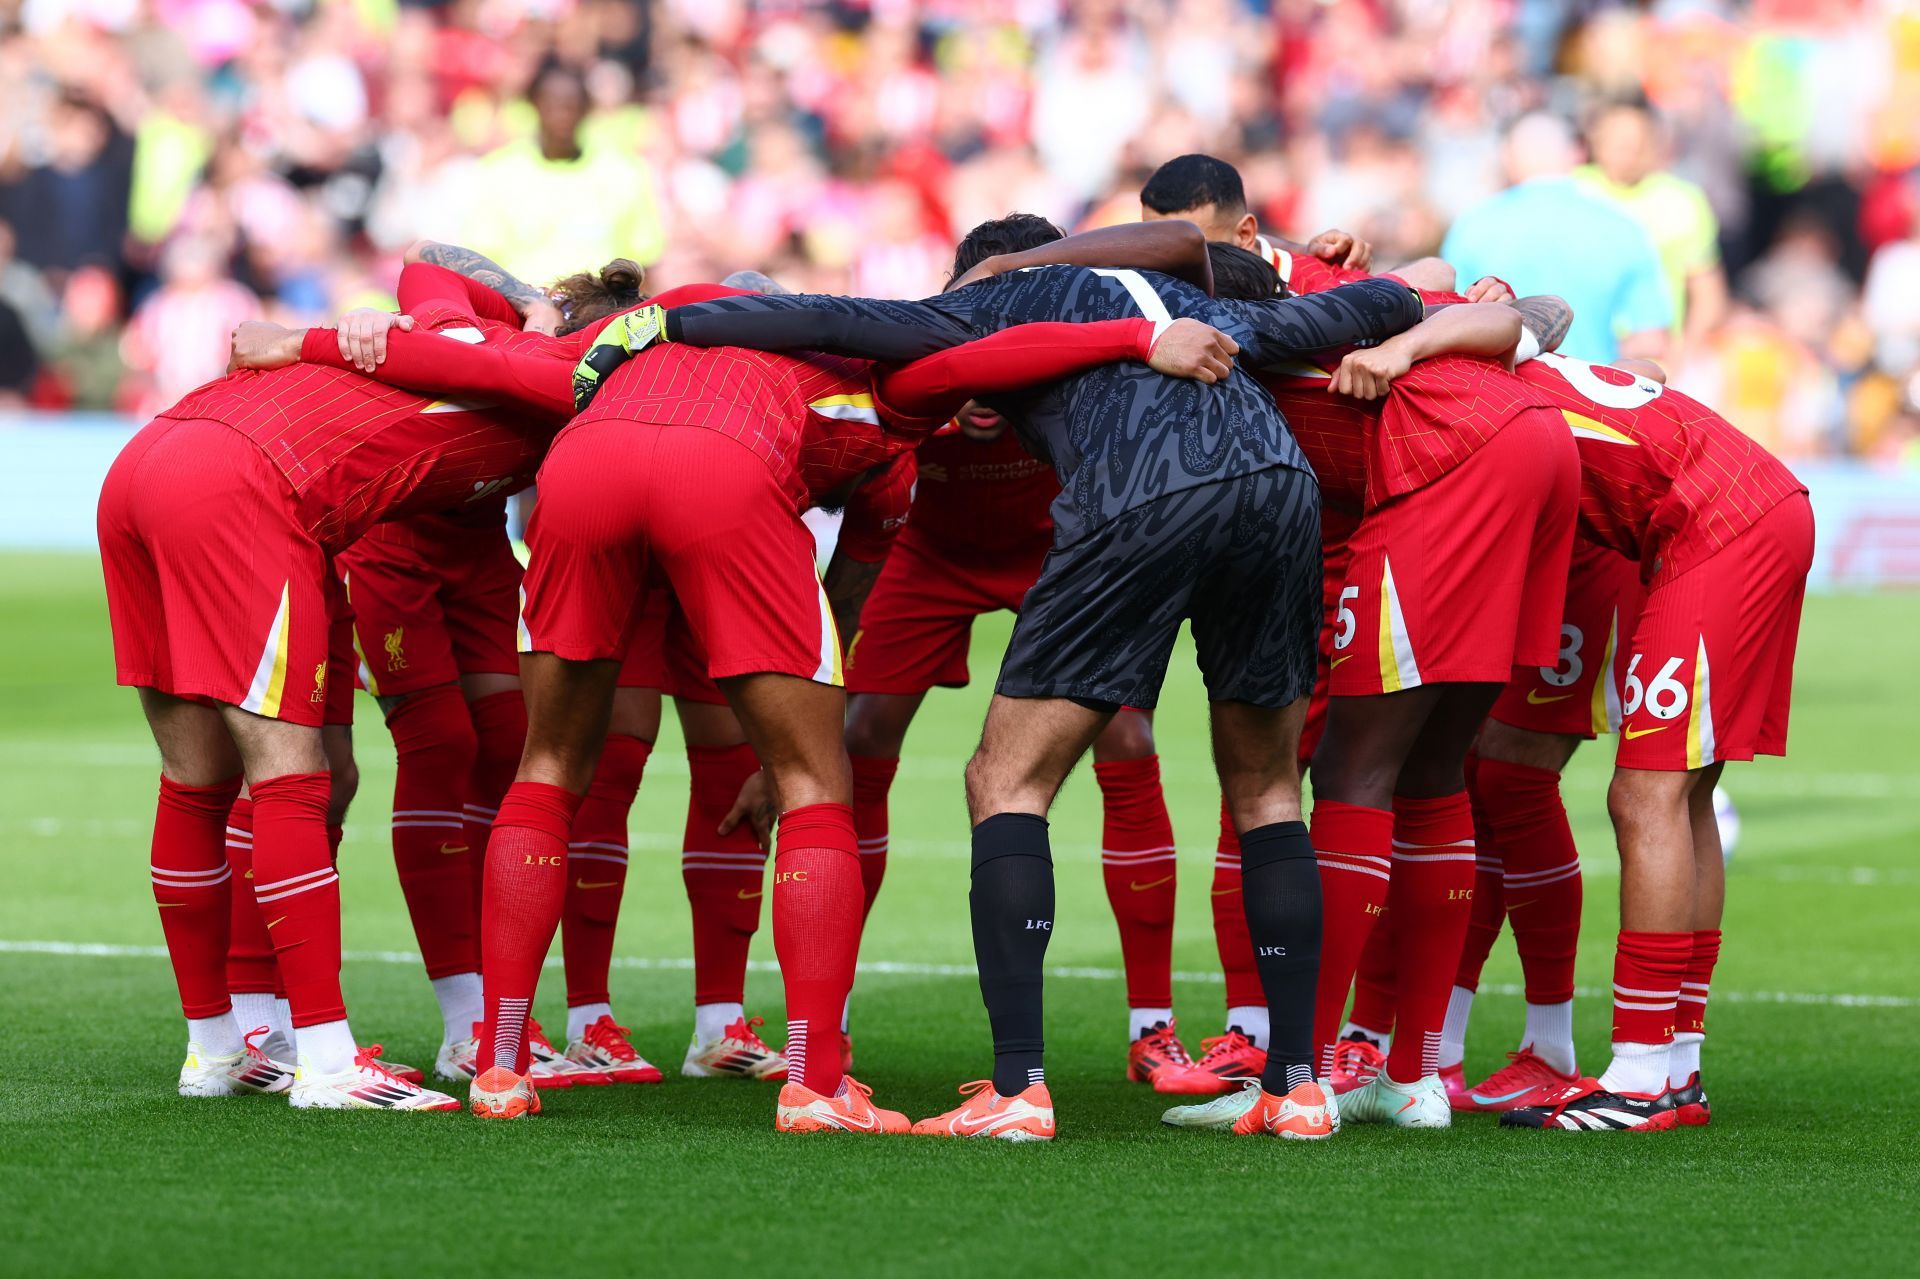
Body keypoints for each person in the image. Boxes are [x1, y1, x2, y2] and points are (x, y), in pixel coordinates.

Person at [274, 252, 1244, 1127]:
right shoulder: (871, 365)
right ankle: (817, 1082)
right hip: (726, 473)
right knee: (814, 779)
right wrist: (1142, 334)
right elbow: (979, 360)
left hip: (584, 470)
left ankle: (496, 1062)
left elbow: (464, 340)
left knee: (546, 766)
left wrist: (311, 338)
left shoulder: (643, 327)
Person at [641, 217, 1427, 1140]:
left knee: (1005, 780)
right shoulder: (1198, 305)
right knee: (1264, 791)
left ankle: (1018, 1089)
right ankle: (1295, 1089)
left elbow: (826, 316)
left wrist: (658, 328)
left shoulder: (984, 301)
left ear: (973, 271)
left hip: (1142, 488)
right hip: (1277, 486)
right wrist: (1417, 318)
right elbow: (1390, 297)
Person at [96, 252, 587, 1112]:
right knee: (292, 778)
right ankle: (326, 1062)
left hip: (151, 456)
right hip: (251, 483)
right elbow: (439, 275)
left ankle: (217, 1048)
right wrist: (538, 316)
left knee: (199, 779)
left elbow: (430, 269)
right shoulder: (566, 375)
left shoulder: (450, 327)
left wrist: (319, 337)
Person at [1442, 112, 1673, 364]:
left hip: (1503, 395)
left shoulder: (1472, 226)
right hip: (1588, 395)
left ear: (1507, 157)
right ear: (1577, 154)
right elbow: (1651, 340)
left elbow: (1451, 322)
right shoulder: (1623, 227)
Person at [1577, 100, 1728, 356]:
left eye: (1639, 142)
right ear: (1596, 141)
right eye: (1619, 141)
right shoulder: (1574, 192)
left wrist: (1684, 353)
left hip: (1654, 359)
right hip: (1581, 356)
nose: (1630, 151)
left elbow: (1708, 294)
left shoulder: (1682, 201)